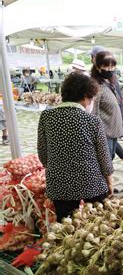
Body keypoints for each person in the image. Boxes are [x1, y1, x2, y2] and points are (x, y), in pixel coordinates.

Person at [37, 73, 114, 221]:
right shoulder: (93, 120)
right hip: (91, 182)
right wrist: (109, 181)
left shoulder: (46, 117)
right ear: (86, 96)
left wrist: (58, 167)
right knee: (98, 223)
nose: (90, 102)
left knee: (66, 225)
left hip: (59, 184)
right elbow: (104, 157)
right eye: (91, 99)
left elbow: (43, 154)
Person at [90, 51, 123, 160]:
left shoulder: (109, 82)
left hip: (113, 132)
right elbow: (93, 112)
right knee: (105, 161)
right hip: (104, 134)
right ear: (98, 67)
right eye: (106, 66)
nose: (110, 69)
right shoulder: (96, 86)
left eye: (112, 66)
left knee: (110, 158)